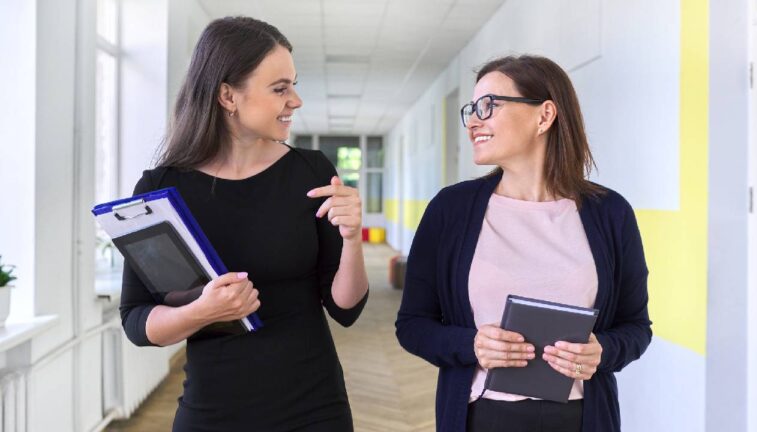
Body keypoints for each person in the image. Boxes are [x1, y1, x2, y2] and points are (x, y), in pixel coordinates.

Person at [119, 17, 369, 432]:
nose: (296, 101)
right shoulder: (162, 188)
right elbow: (137, 322)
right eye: (280, 88)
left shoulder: (312, 172)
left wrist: (352, 239)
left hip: (315, 407)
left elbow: (346, 307)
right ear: (227, 95)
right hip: (212, 411)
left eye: (293, 84)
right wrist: (202, 311)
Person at [395, 55, 652, 432]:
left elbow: (636, 326)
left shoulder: (610, 213)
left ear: (544, 116)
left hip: (581, 419)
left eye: (489, 106)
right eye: (471, 109)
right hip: (481, 417)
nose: (474, 122)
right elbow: (413, 325)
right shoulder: (450, 210)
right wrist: (472, 345)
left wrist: (604, 351)